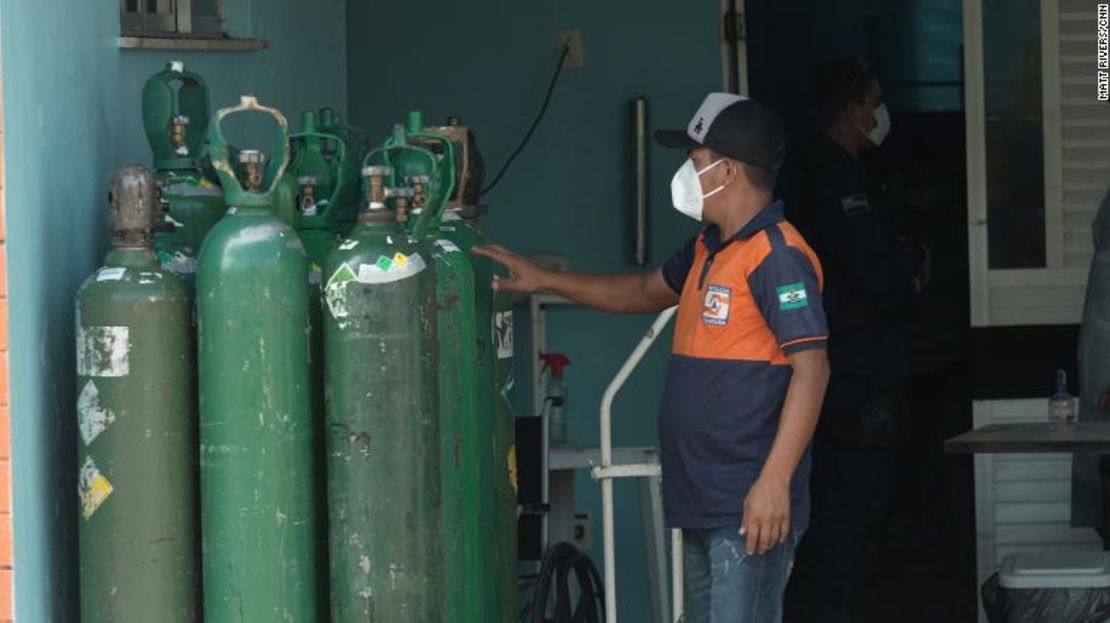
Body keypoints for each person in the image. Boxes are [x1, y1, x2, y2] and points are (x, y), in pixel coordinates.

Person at [475, 93, 830, 623]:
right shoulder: (710, 247)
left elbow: (812, 369)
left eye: (695, 163)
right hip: (702, 496)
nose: (686, 177)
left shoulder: (777, 255)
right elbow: (643, 290)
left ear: (727, 170)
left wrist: (774, 482)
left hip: (749, 502)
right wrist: (541, 278)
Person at [784, 58, 927, 623]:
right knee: (845, 530)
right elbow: (876, 275)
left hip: (846, 382)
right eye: (874, 102)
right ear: (850, 111)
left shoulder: (830, 175)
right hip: (851, 386)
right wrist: (911, 266)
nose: (880, 114)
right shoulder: (833, 179)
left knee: (842, 528)